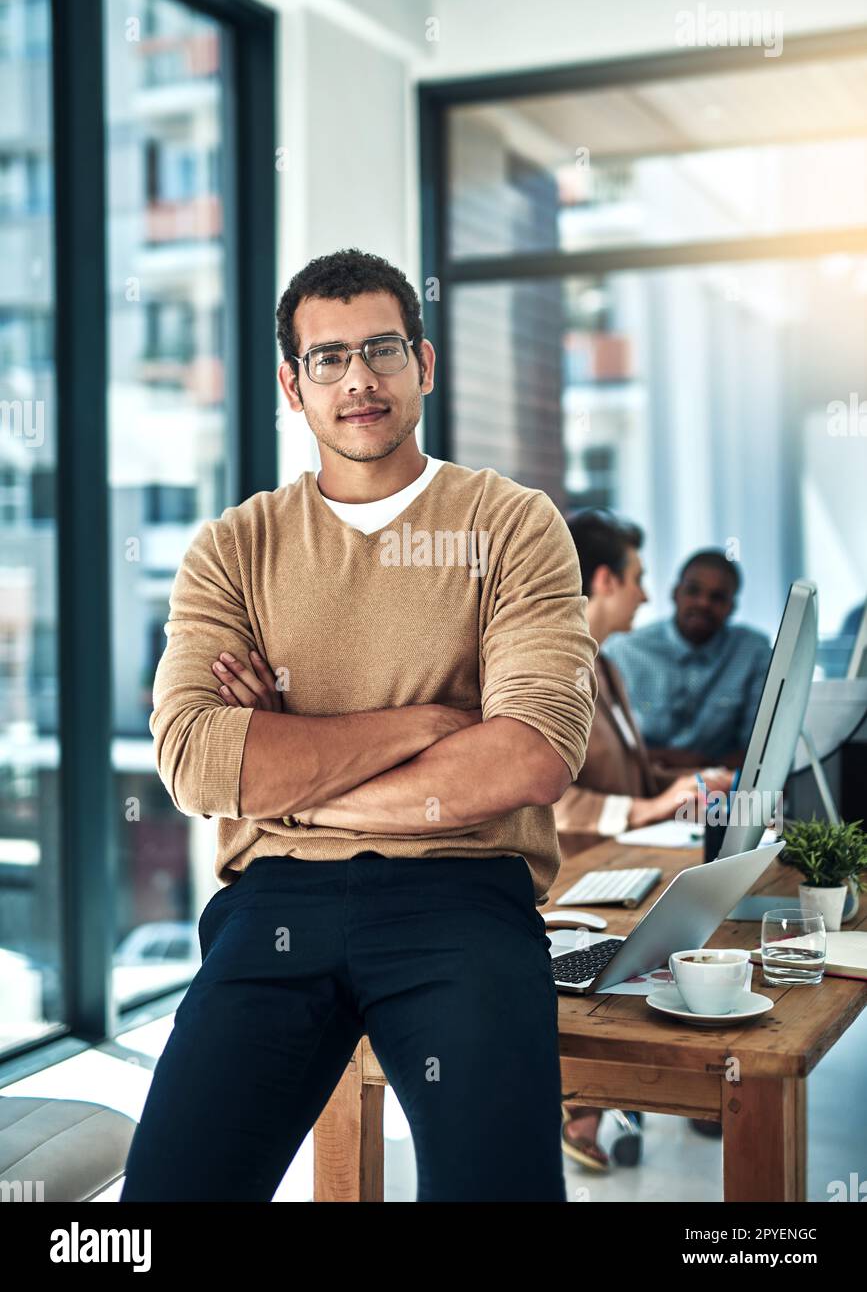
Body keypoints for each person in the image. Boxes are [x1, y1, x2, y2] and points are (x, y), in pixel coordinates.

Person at [120, 248, 598, 1204]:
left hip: (463, 897)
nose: (359, 380)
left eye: (382, 350)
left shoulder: (511, 523)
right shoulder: (235, 545)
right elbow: (192, 761)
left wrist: (290, 778)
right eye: (329, 358)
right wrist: (431, 721)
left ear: (423, 363)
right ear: (293, 386)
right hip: (275, 904)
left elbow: (533, 754)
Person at [552, 510, 732, 1173]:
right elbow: (549, 798)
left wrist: (682, 783)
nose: (648, 595)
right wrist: (651, 805)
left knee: (695, 910)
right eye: (638, 577)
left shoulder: (606, 665)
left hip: (617, 863)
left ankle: (679, 1079)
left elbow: (634, 772)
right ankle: (596, 1093)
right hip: (568, 877)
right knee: (667, 929)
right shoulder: (551, 667)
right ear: (603, 579)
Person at [605, 549, 771, 768]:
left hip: (717, 790)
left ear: (732, 608)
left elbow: (759, 750)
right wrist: (664, 759)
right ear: (675, 593)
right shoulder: (624, 651)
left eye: (717, 597)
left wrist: (702, 769)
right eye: (693, 591)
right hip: (644, 786)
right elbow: (605, 748)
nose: (703, 603)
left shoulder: (753, 653)